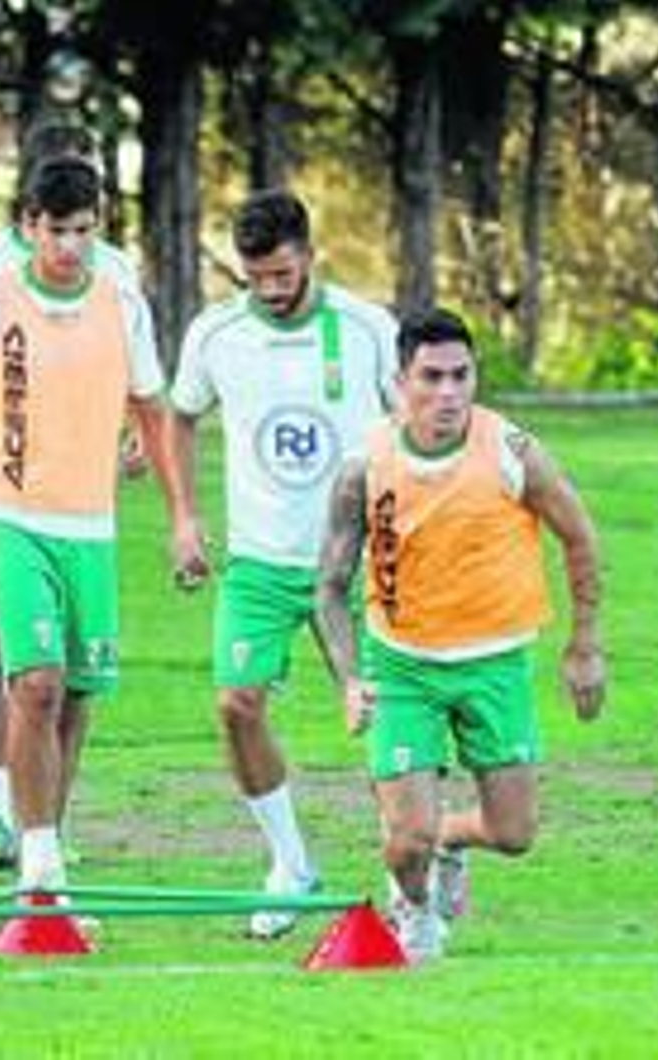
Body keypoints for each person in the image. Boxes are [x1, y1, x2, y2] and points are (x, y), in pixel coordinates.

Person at [0, 157, 195, 894]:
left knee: (77, 692)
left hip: (91, 525)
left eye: (83, 231)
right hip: (6, 515)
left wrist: (181, 517)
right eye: (56, 231)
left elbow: (154, 410)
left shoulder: (122, 302)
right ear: (29, 227)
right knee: (36, 683)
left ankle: (46, 834)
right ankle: (38, 868)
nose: (71, 246)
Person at [314, 307, 607, 964]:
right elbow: (329, 585)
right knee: (404, 841)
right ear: (400, 383)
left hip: (495, 663)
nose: (448, 393)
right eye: (431, 377)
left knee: (514, 832)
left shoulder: (512, 453)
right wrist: (350, 679)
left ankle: (450, 838)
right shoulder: (365, 465)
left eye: (461, 376)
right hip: (401, 667)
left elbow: (580, 537)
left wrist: (585, 644)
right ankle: (415, 911)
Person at [169, 190, 397, 940]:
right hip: (260, 563)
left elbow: (412, 425)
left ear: (310, 256)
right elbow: (180, 415)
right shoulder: (216, 334)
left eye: (283, 273)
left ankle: (409, 876)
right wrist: (186, 518)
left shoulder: (367, 330)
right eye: (256, 276)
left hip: (357, 561)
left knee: (385, 719)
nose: (270, 288)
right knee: (236, 704)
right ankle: (291, 864)